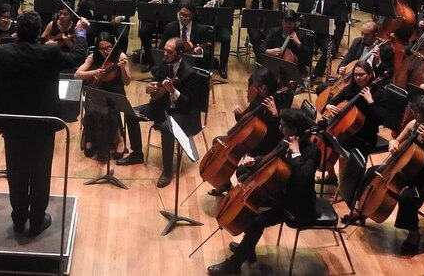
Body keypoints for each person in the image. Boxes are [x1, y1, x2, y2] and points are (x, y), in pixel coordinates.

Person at [0, 11, 89, 236]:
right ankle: (37, 220)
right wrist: (80, 31)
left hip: (13, 122)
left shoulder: (2, 52)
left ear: (18, 31)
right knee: (40, 171)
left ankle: (19, 219)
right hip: (42, 122)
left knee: (16, 171)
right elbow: (78, 57)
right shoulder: (49, 52)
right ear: (38, 31)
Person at [206, 109, 319, 276]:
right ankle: (248, 249)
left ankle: (234, 265)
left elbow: (303, 179)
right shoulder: (285, 141)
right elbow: (271, 157)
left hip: (297, 205)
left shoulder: (312, 152)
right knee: (249, 208)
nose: (280, 128)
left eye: (283, 125)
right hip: (279, 193)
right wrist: (256, 161)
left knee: (256, 221)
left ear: (294, 130)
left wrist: (296, 153)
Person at [346, 95, 424, 255]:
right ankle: (360, 211)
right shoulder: (414, 124)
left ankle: (414, 234)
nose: (415, 115)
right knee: (372, 171)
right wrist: (393, 144)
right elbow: (396, 140)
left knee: (407, 197)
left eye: (419, 112)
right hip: (411, 169)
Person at [118, 38, 207, 188]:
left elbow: (188, 105)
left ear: (180, 53)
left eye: (169, 52)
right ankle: (137, 153)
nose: (164, 54)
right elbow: (155, 82)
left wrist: (172, 91)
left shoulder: (190, 74)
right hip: (163, 106)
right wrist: (149, 87)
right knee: (131, 113)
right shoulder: (164, 64)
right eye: (164, 50)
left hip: (184, 114)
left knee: (167, 128)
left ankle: (167, 170)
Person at [207, 66, 296, 197]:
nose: (258, 90)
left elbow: (284, 133)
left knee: (235, 161)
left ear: (269, 84)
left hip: (267, 144)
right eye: (256, 86)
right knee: (218, 142)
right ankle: (224, 184)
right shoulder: (259, 98)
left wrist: (276, 115)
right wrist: (239, 116)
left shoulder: (280, 100)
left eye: (261, 86)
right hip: (252, 138)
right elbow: (248, 118)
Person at [319, 61, 385, 187]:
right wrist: (329, 105)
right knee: (328, 140)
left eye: (362, 75)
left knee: (343, 156)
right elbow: (333, 100)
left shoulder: (379, 93)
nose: (358, 78)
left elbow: (381, 119)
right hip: (348, 131)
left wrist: (370, 101)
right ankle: (331, 176)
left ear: (371, 74)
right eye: (356, 75)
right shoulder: (351, 89)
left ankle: (345, 190)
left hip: (366, 135)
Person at [75, 32, 130, 161]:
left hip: (115, 92)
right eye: (101, 48)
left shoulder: (120, 56)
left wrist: (122, 69)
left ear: (113, 45)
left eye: (108, 47)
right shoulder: (93, 57)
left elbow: (127, 81)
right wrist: (94, 72)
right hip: (97, 91)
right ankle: (91, 138)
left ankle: (119, 139)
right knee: (91, 108)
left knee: (109, 109)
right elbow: (77, 74)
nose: (105, 51)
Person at [297, 0, 344, 79]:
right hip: (308, 32)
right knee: (297, 44)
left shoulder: (334, 0)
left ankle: (316, 73)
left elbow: (337, 19)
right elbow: (299, 14)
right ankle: (302, 70)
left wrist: (321, 17)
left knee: (330, 49)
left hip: (324, 34)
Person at [138, 0, 182, 72]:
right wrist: (151, 2)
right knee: (143, 31)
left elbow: (178, 6)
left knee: (172, 32)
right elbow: (141, 5)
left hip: (167, 19)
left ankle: (163, 60)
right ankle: (150, 60)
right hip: (151, 19)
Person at [196, 0, 234, 78]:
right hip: (207, 23)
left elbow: (231, 9)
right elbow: (197, 9)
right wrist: (205, 6)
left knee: (226, 39)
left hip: (222, 24)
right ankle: (206, 65)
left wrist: (222, 2)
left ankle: (223, 67)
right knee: (206, 39)